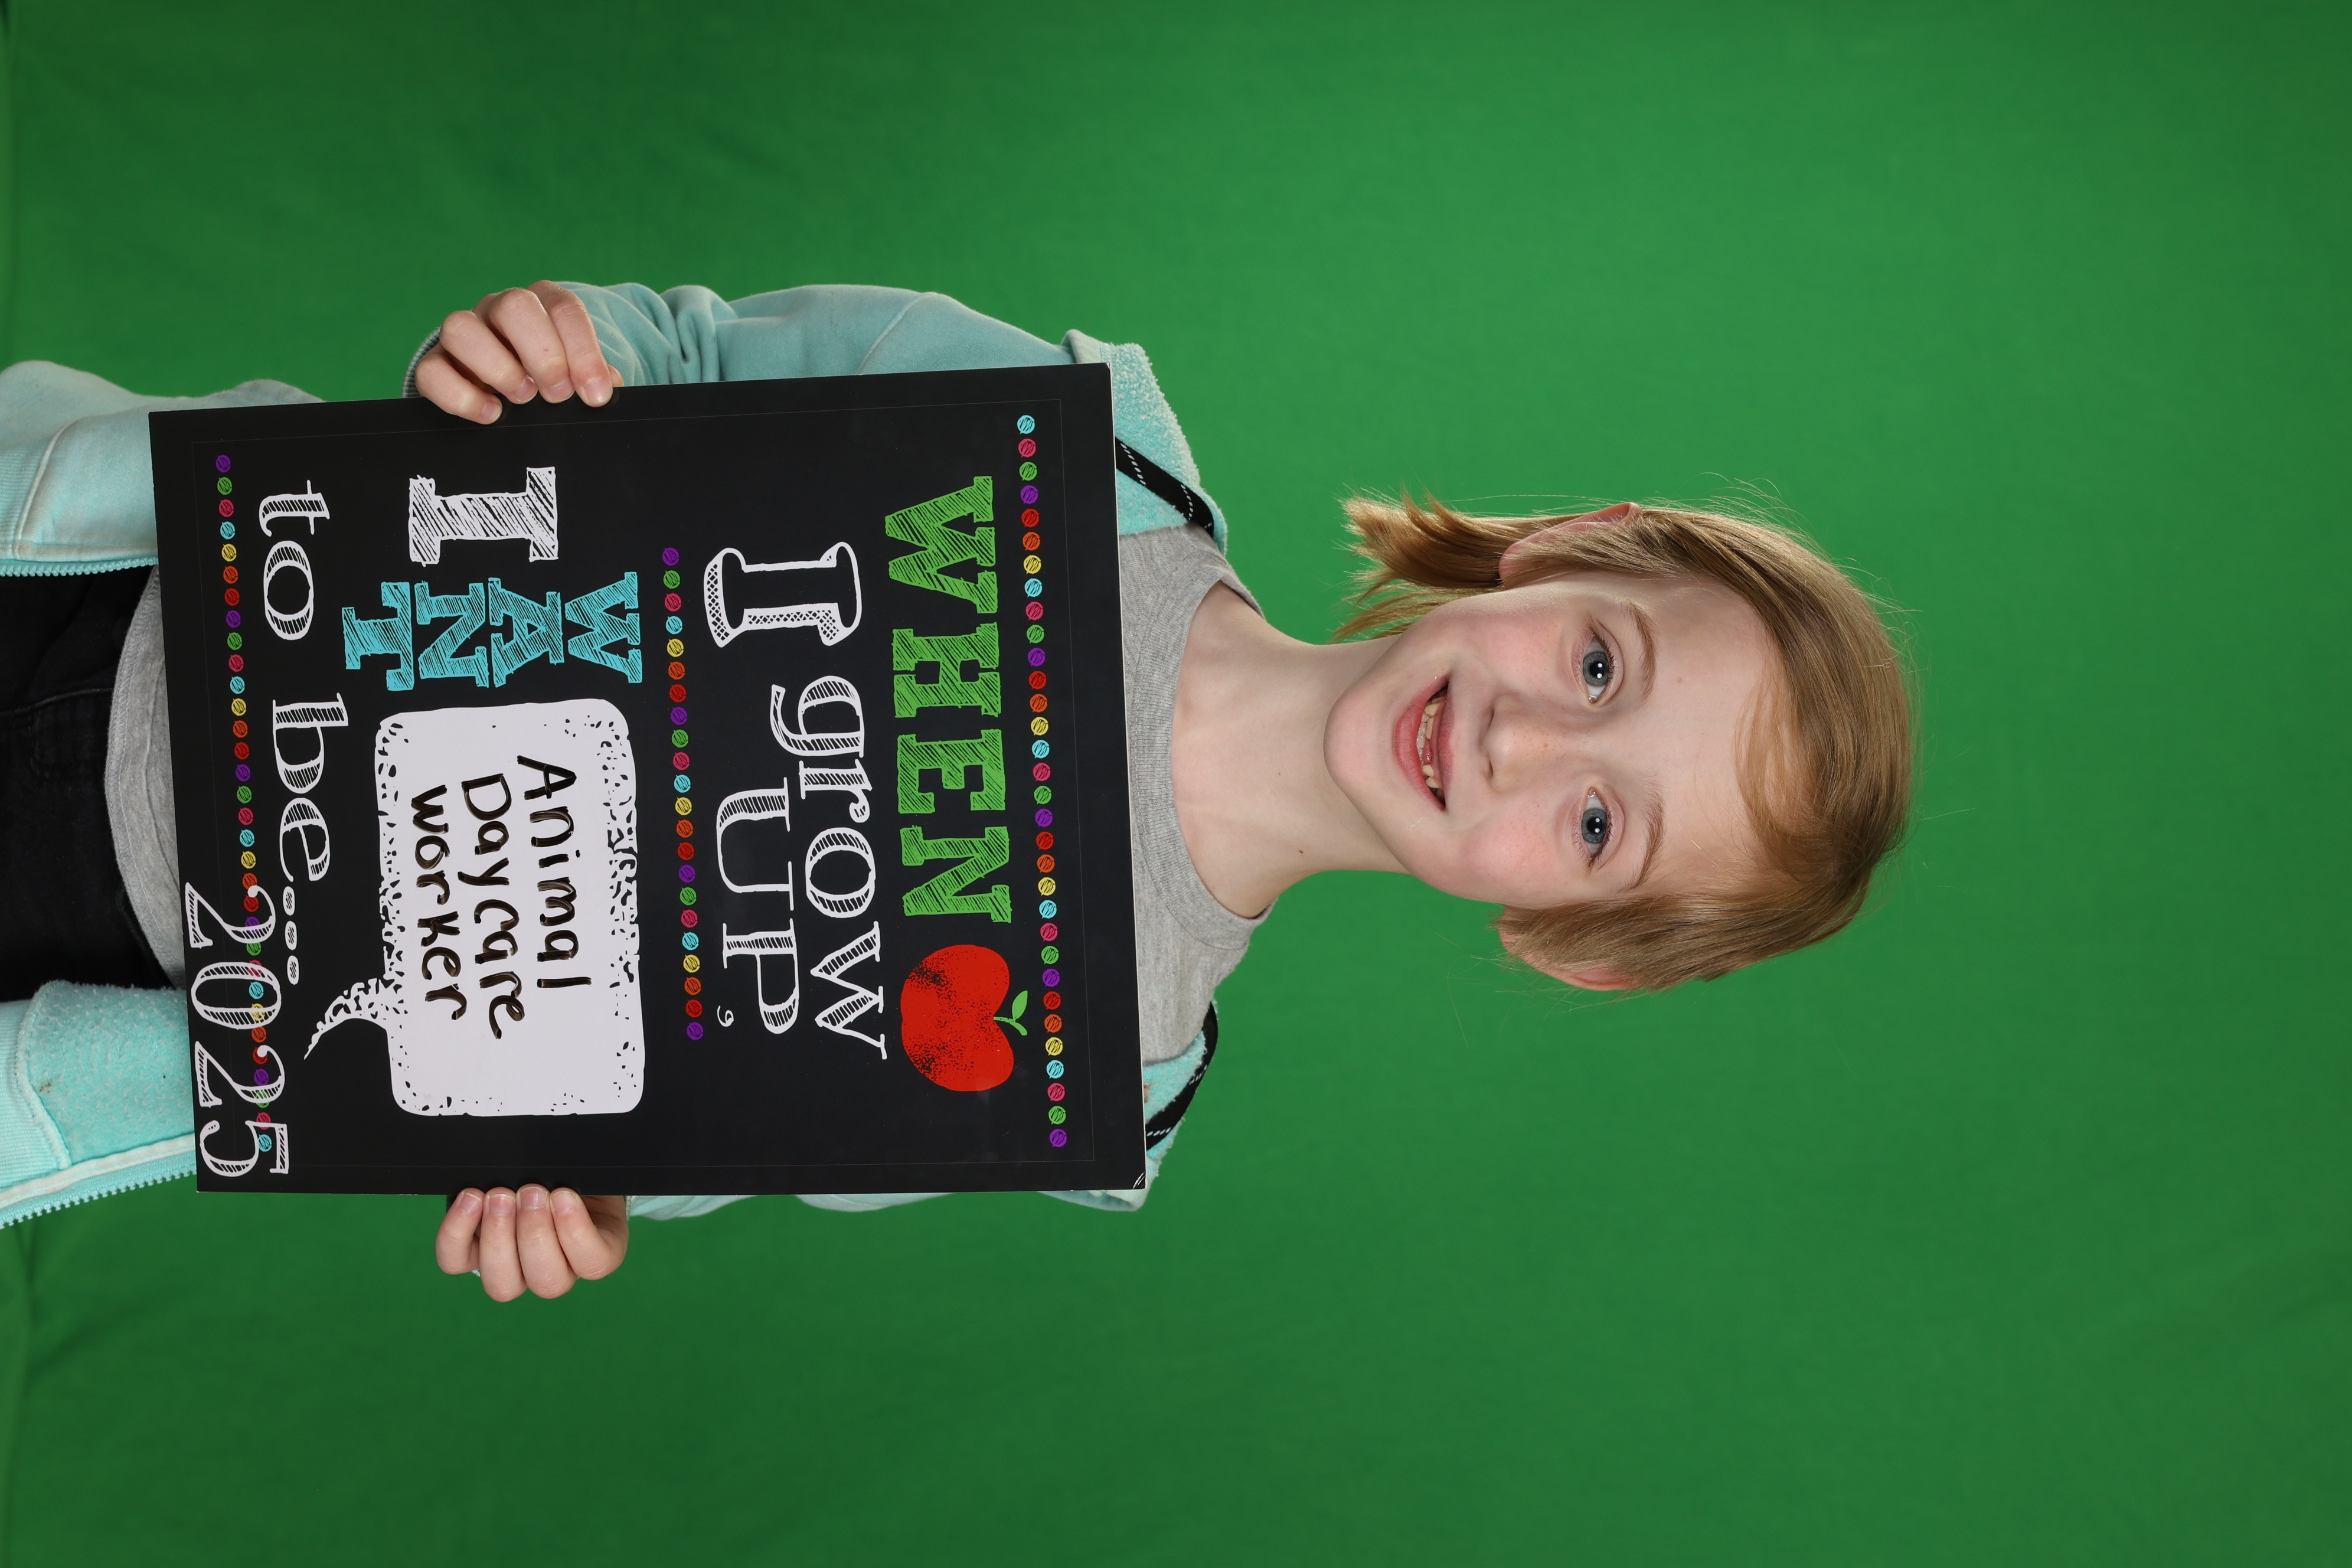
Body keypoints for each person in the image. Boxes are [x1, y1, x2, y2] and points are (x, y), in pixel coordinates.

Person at [0, 281, 1912, 1301]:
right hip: (101, 584)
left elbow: (701, 1109)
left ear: (1569, 934)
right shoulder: (1082, 450)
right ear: (1569, 551)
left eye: (1599, 824)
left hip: (117, 989)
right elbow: (679, 355)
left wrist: (575, 1193)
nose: (1522, 743)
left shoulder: (1110, 1077)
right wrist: (548, 347)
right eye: (1601, 668)